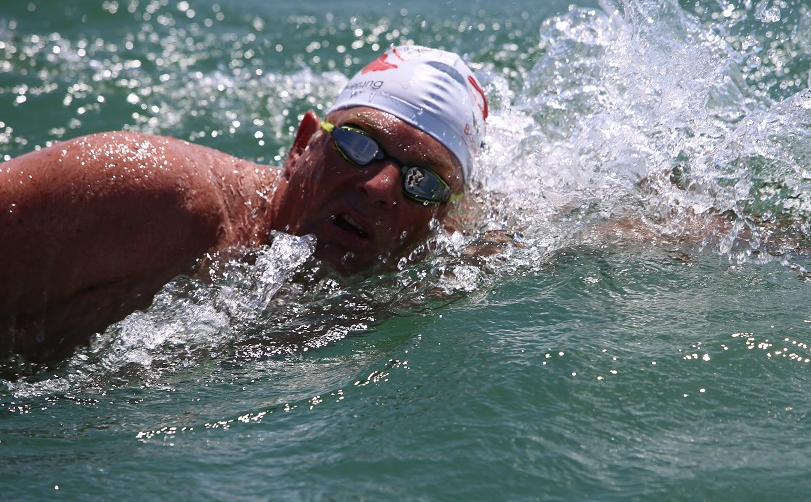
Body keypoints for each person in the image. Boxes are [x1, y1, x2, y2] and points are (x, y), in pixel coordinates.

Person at [0, 45, 489, 359]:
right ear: (301, 145)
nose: (380, 188)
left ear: (442, 219)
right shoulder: (155, 194)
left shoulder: (399, 290)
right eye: (358, 145)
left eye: (423, 182)